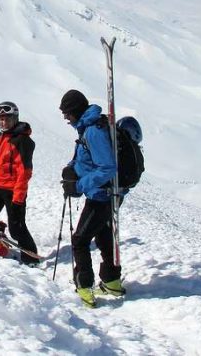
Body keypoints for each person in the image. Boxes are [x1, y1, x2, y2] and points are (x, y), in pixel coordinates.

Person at [59, 89, 126, 308]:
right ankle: (112, 281)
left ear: (77, 111)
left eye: (68, 114)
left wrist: (79, 184)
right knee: (104, 236)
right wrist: (71, 169)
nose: (66, 119)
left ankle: (84, 287)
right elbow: (85, 159)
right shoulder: (88, 128)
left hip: (101, 196)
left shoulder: (93, 132)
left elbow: (107, 167)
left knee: (80, 240)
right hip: (101, 194)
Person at [0, 101, 39, 265]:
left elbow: (24, 173)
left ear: (15, 119)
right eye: (1, 119)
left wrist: (18, 199)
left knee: (17, 230)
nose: (4, 122)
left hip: (12, 191)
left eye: (8, 119)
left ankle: (31, 258)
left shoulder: (22, 141)